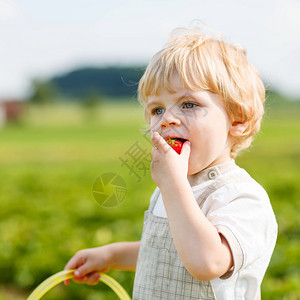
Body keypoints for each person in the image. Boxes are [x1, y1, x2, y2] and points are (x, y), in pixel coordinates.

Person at [64, 26, 277, 299]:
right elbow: (166, 251)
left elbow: (207, 262)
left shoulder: (242, 198)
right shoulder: (173, 188)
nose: (167, 119)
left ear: (237, 119)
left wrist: (173, 184)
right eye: (158, 109)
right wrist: (112, 255)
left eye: (188, 104)